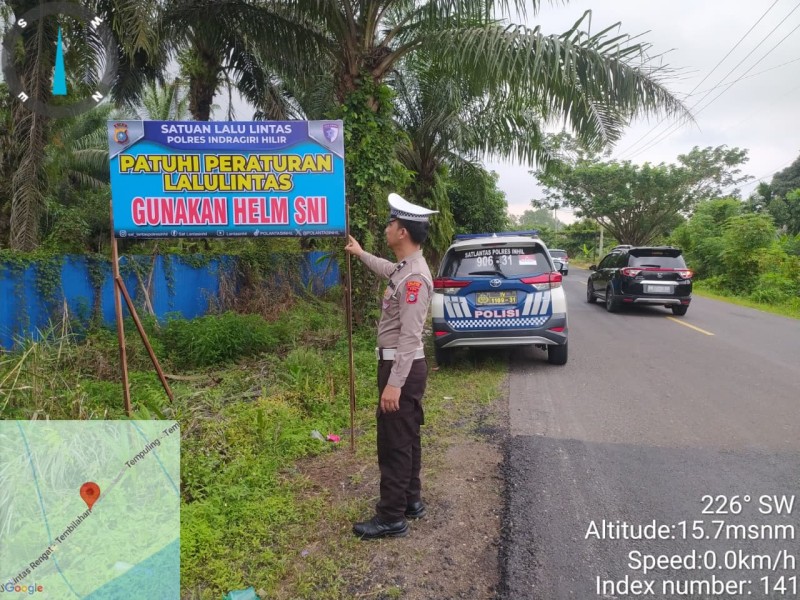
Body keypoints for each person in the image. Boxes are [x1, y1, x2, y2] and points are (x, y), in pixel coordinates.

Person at [344, 193, 437, 540]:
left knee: (394, 442)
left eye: (391, 223)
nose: (386, 227)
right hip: (404, 368)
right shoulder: (405, 268)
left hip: (402, 368)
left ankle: (391, 518)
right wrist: (360, 253)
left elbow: (411, 337)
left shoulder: (414, 279)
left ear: (402, 232)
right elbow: (386, 268)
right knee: (407, 436)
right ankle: (410, 501)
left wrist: (394, 384)